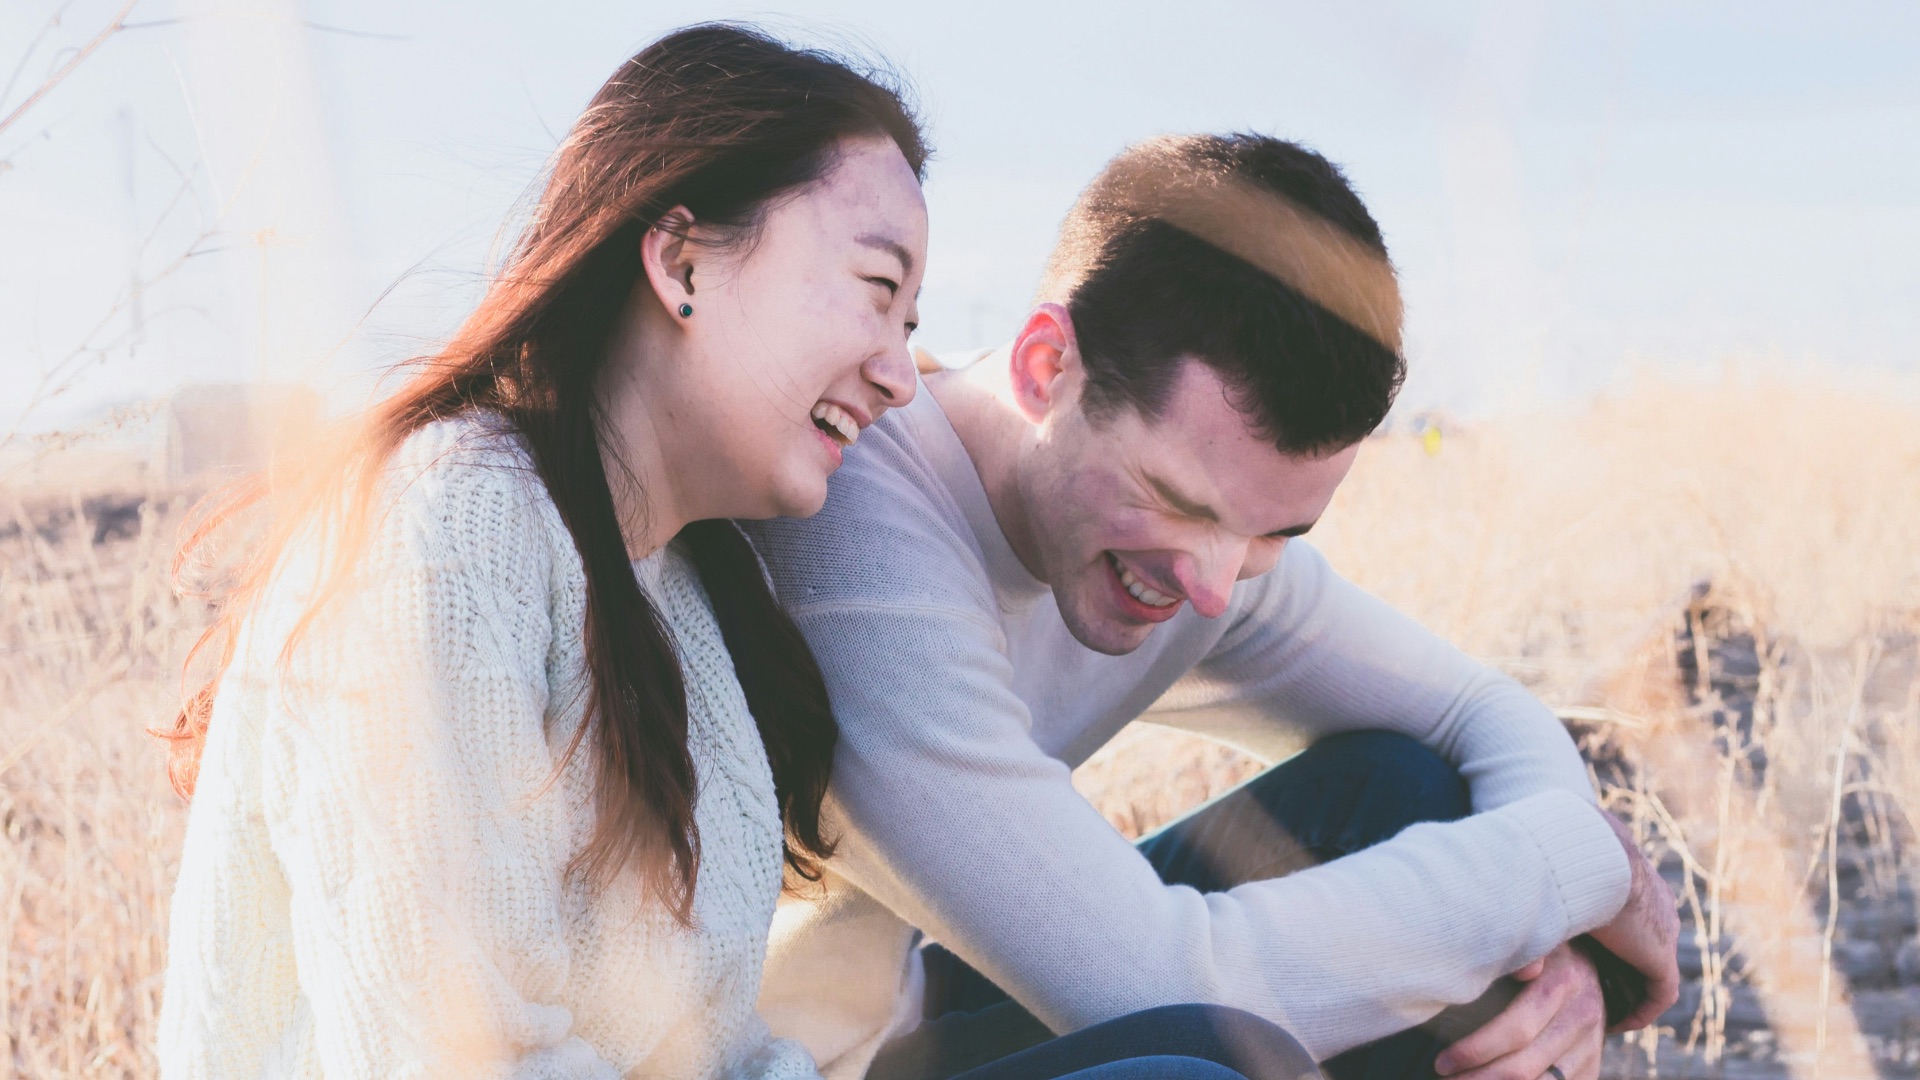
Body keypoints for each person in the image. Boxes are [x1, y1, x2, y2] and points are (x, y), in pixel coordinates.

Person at [152, 24, 1321, 1080]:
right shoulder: (452, 531)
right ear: (683, 262)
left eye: (912, 325)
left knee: (1225, 1050)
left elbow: (708, 1049)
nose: (900, 372)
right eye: (874, 291)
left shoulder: (680, 589)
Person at [744, 133, 1682, 1080]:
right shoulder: (855, 524)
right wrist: (1568, 874)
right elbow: (1160, 984)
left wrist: (1549, 935)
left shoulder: (1206, 553)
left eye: (1277, 533)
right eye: (1181, 501)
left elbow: (1476, 712)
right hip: (776, 1061)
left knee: (1407, 790)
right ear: (1044, 367)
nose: (1213, 584)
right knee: (1204, 1068)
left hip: (904, 1024)